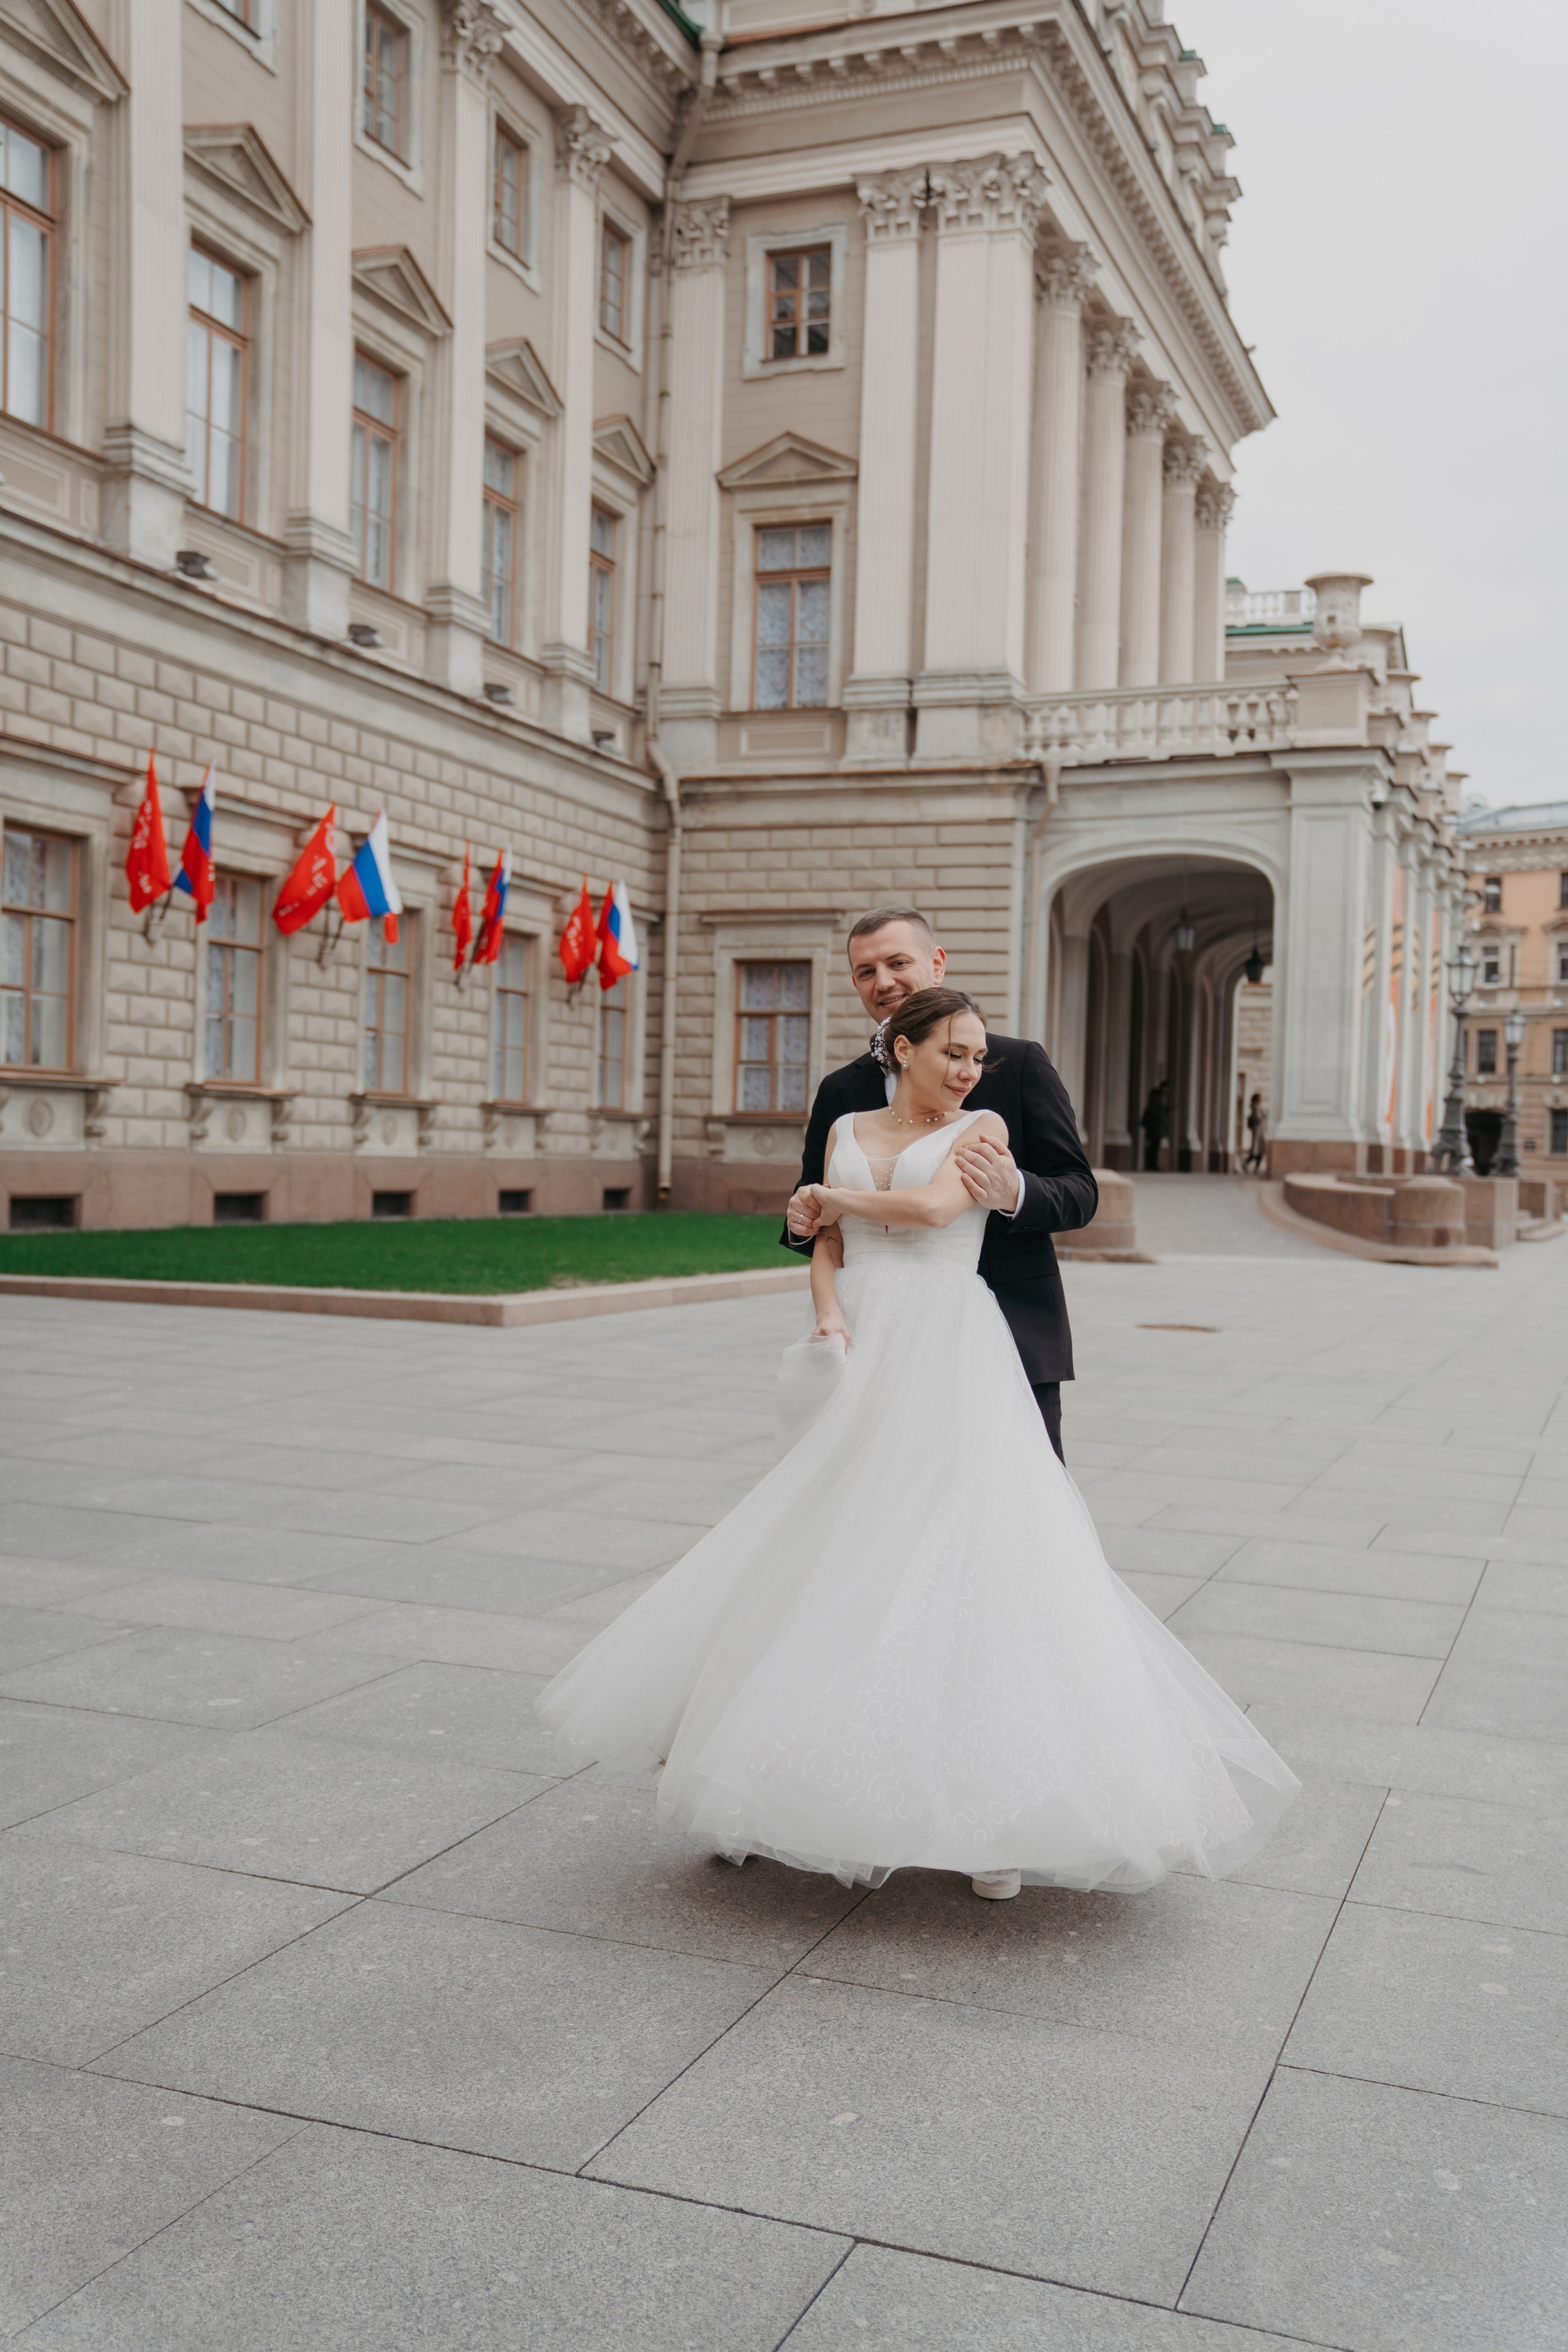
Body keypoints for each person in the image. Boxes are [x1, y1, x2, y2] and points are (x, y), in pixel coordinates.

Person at [537, 987, 1298, 1904]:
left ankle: (999, 1817)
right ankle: (757, 1783)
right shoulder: (846, 1117)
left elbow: (935, 1213)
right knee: (826, 1543)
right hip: (862, 1337)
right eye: (955, 1054)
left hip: (949, 1342)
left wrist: (829, 1198)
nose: (972, 1070)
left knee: (970, 1551)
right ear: (901, 1050)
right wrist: (827, 1314)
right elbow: (822, 1243)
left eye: (978, 1056)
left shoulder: (983, 1130)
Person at [781, 908, 1096, 1464]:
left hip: (1008, 1326)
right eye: (864, 971)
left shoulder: (1017, 1064)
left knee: (1012, 1509)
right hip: (873, 1336)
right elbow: (817, 1205)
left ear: (937, 963)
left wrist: (1014, 1192)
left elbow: (1079, 1190)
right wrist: (800, 1219)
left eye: (898, 962)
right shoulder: (840, 1091)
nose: (883, 982)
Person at [1140, 1080, 1168, 1172]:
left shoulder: (1159, 1096)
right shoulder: (1156, 1096)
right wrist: (1161, 1116)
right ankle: (1152, 1165)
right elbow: (1154, 1110)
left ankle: (1153, 1165)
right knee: (1153, 1147)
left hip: (1156, 1127)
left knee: (1155, 1147)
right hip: (1155, 1127)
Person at [1242, 1091, 1267, 1174]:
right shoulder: (1256, 1107)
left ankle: (1256, 1167)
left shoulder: (1256, 1107)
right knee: (1257, 1150)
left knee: (1259, 1151)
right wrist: (1264, 1116)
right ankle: (1249, 1164)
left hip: (1260, 1131)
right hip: (1259, 1132)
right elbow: (1258, 1118)